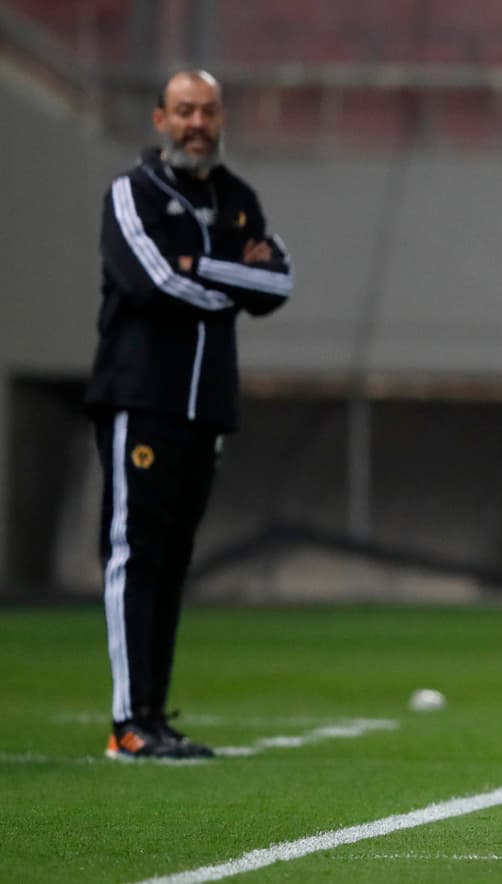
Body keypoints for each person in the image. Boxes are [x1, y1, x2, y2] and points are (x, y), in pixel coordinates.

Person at [86, 69, 293, 760]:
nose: (196, 123)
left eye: (206, 111)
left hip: (207, 409)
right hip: (140, 401)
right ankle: (126, 723)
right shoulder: (133, 193)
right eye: (183, 111)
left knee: (172, 562)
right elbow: (153, 279)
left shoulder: (237, 197)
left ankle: (153, 716)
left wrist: (204, 265)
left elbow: (279, 280)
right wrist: (230, 270)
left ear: (221, 116)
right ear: (159, 119)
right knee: (132, 554)